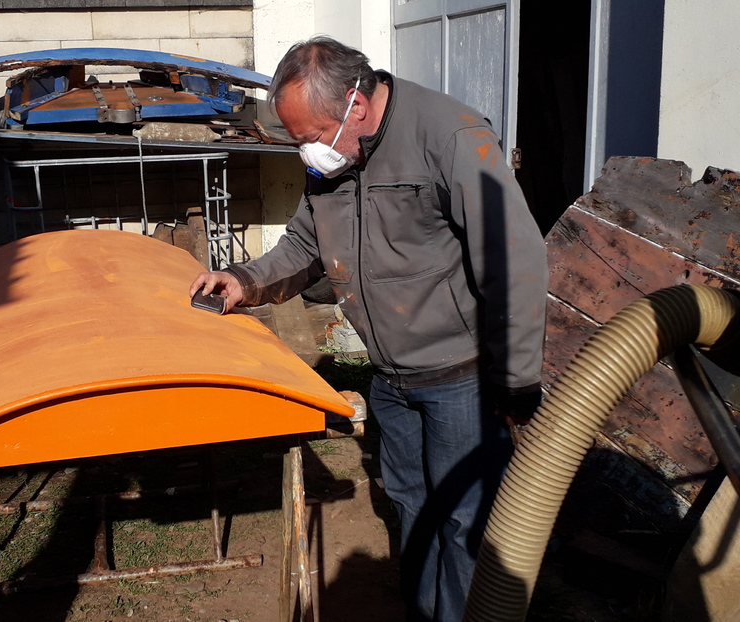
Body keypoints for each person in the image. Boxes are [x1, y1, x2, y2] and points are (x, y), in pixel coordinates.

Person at [189, 36, 547, 621]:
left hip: (462, 378)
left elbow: (512, 258)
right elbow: (305, 245)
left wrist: (517, 377)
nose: (306, 153)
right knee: (410, 505)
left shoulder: (450, 136)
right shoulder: (335, 154)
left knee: (466, 521)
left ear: (355, 104)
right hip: (390, 377)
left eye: (310, 136)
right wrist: (244, 281)